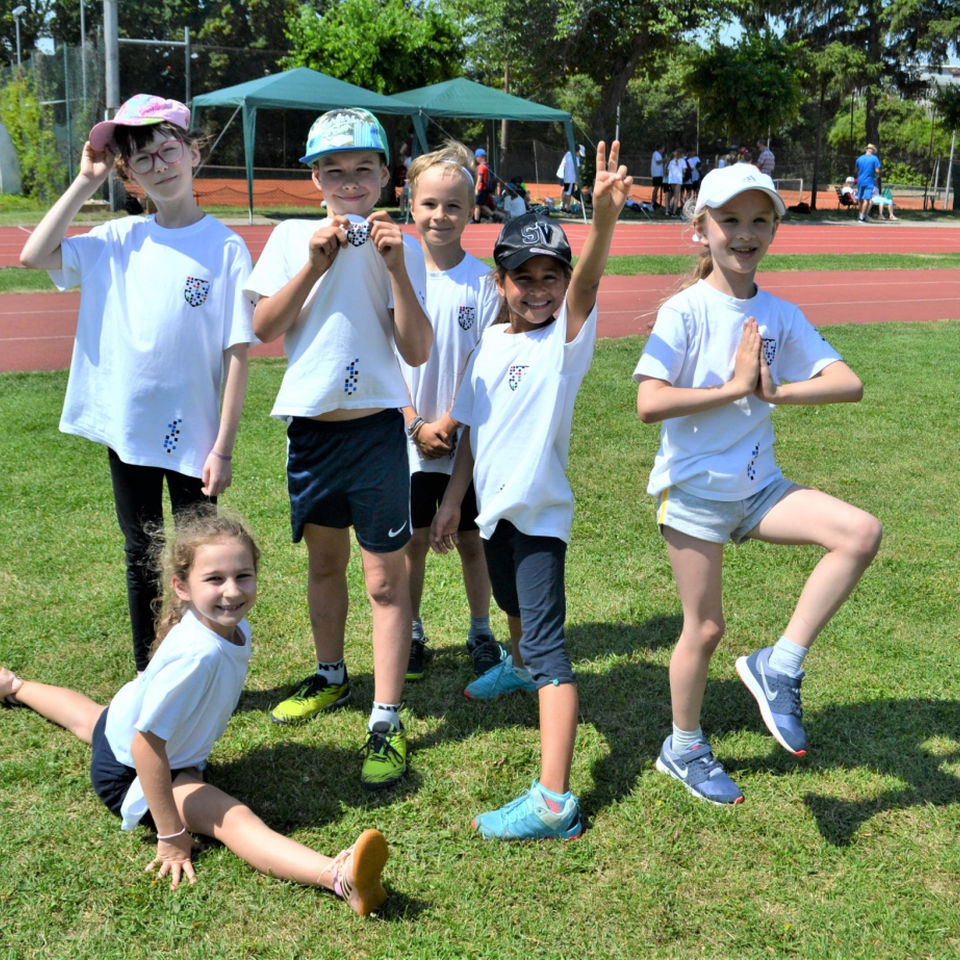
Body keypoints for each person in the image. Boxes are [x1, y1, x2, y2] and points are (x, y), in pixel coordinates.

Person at [633, 164, 882, 805]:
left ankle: (779, 665)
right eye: (730, 220)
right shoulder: (684, 310)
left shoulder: (779, 313)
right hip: (695, 493)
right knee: (705, 629)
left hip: (759, 489)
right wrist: (733, 389)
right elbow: (649, 402)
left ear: (773, 229)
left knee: (859, 533)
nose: (744, 234)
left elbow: (848, 383)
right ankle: (683, 747)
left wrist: (777, 391)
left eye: (759, 221)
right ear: (701, 229)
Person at [0, 509, 389, 914]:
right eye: (214, 579)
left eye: (243, 575)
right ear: (182, 587)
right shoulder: (198, 656)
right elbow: (146, 746)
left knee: (91, 718)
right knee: (231, 818)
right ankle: (339, 876)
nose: (231, 591)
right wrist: (170, 834)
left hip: (121, 726)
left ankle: (14, 686)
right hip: (133, 774)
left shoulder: (229, 627)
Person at [430, 142, 633, 839]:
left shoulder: (563, 344)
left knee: (549, 650)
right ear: (500, 282)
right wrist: (454, 501)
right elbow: (473, 432)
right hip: (494, 515)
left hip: (540, 518)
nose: (539, 289)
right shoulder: (491, 344)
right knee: (511, 606)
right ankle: (517, 667)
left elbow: (589, 287)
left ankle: (553, 801)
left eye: (553, 277)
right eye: (525, 277)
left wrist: (602, 222)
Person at [18, 94, 254, 675]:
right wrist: (85, 181)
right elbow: (34, 255)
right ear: (127, 174)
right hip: (130, 430)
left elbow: (237, 354)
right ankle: (150, 669)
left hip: (196, 435)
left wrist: (223, 447)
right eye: (141, 159)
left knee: (202, 555)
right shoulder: (118, 238)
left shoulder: (225, 247)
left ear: (192, 152)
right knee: (142, 554)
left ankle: (202, 664)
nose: (159, 166)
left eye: (167, 150)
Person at [245, 107, 432, 789]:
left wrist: (397, 269)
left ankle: (386, 716)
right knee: (325, 564)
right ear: (315, 179)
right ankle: (330, 674)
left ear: (385, 176)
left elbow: (417, 349)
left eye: (362, 169)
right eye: (334, 171)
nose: (349, 182)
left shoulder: (399, 245)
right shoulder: (290, 236)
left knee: (385, 580)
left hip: (376, 430)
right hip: (313, 432)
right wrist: (313, 265)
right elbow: (265, 326)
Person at [399, 140, 504, 683]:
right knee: (412, 541)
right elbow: (385, 357)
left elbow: (483, 362)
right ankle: (411, 631)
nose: (440, 215)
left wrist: (451, 422)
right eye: (430, 204)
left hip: (465, 439)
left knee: (471, 540)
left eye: (453, 206)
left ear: (471, 210)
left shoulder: (484, 282)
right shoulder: (397, 274)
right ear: (410, 204)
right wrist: (414, 421)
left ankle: (481, 631)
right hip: (406, 439)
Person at [855, 143, 882, 223]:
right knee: (866, 199)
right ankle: (862, 217)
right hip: (869, 181)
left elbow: (856, 170)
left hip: (860, 180)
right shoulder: (874, 158)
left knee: (860, 199)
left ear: (866, 150)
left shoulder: (859, 158)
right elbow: (877, 170)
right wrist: (877, 175)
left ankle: (861, 215)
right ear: (873, 151)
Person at [559, 143, 585, 213]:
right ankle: (567, 208)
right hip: (570, 178)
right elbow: (576, 170)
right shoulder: (576, 159)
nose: (580, 155)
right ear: (578, 151)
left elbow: (564, 165)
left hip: (564, 176)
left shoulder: (567, 154)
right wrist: (577, 180)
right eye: (579, 154)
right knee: (568, 193)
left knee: (565, 191)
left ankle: (563, 206)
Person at [473, 147, 493, 223]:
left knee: (477, 205)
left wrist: (476, 189)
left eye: (476, 157)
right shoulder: (487, 165)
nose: (476, 159)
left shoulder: (481, 167)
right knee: (481, 205)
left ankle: (476, 220)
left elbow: (479, 178)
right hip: (484, 189)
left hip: (480, 188)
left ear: (480, 157)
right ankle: (494, 215)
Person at [666, 149, 685, 216]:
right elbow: (684, 171)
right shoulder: (683, 161)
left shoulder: (671, 161)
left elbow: (668, 171)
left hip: (671, 180)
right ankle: (674, 213)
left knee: (671, 196)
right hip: (678, 180)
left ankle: (669, 210)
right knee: (676, 196)